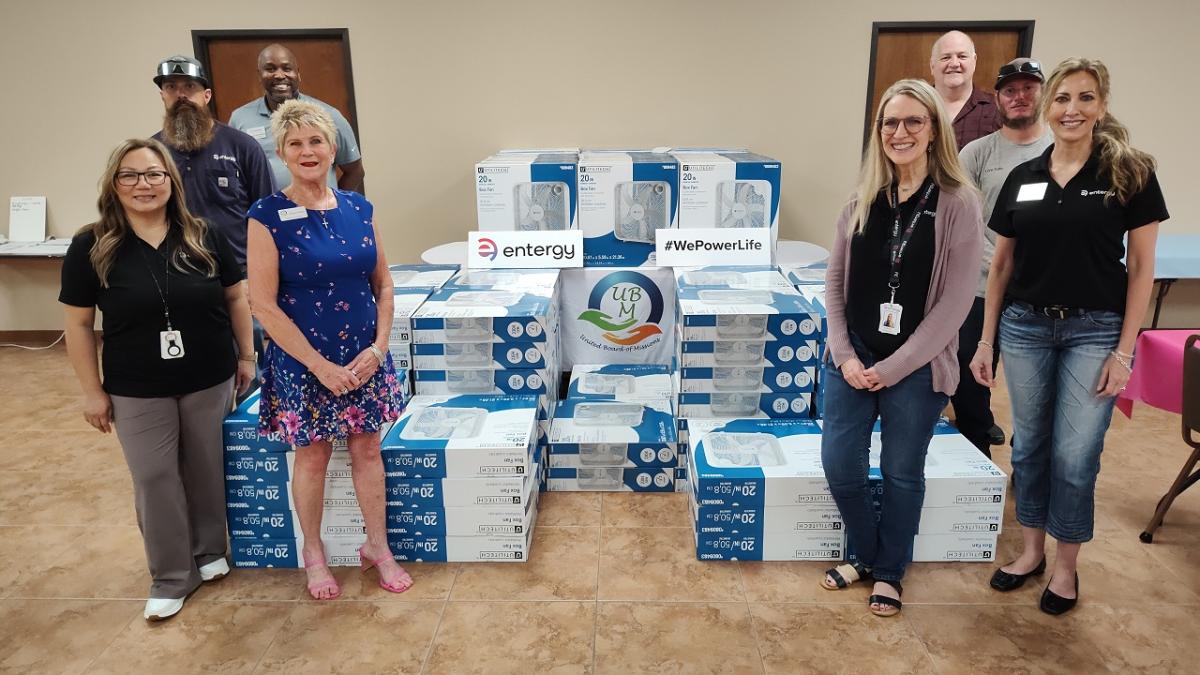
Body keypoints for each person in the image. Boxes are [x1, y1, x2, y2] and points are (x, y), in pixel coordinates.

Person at [970, 58, 1167, 615]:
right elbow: (1000, 267)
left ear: (1101, 106)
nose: (1072, 110)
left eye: (1084, 99)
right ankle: (1031, 550)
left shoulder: (1129, 172)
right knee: (1029, 446)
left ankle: (1066, 567)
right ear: (1047, 106)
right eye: (1062, 99)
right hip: (1026, 326)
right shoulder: (1023, 176)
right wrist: (987, 343)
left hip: (1095, 330)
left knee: (1076, 453)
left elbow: (1141, 272)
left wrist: (1124, 352)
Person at [60, 138, 255, 621]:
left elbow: (235, 297)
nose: (143, 185)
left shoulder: (202, 233)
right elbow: (79, 325)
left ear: (171, 180)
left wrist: (247, 355)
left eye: (153, 174)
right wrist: (91, 391)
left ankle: (210, 551)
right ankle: (171, 575)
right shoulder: (93, 244)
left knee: (206, 467)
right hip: (135, 385)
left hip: (209, 375)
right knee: (154, 477)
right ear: (113, 183)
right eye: (130, 175)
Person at [820, 79, 982, 617]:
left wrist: (892, 368)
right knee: (841, 465)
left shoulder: (958, 204)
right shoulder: (860, 201)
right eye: (890, 122)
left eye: (914, 121)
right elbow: (834, 287)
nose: (900, 132)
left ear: (934, 130)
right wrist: (844, 354)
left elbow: (955, 304)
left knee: (900, 471)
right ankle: (867, 553)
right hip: (853, 356)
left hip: (915, 367)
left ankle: (888, 571)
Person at [247, 99, 409, 600]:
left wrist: (379, 348)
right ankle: (313, 554)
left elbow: (382, 284)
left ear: (333, 147)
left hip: (364, 358)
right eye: (295, 143)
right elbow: (263, 305)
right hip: (304, 364)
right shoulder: (267, 216)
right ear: (281, 153)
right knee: (312, 456)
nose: (307, 150)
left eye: (316, 140)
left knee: (367, 448)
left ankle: (377, 547)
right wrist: (319, 366)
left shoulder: (361, 208)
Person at [952, 58, 1053, 457]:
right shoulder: (976, 154)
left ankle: (1029, 464)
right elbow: (964, 224)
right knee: (968, 375)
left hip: (1041, 291)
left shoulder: (1061, 150)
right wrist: (1001, 264)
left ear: (1043, 93)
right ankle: (978, 459)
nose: (1020, 96)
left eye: (1029, 88)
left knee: (1038, 391)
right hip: (980, 288)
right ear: (997, 98)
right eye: (1010, 90)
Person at [152, 55, 275, 266]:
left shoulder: (242, 146)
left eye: (190, 86)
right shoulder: (151, 153)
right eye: (171, 87)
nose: (181, 94)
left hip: (239, 274)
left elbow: (268, 215)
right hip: (175, 274)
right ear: (162, 95)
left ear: (207, 95)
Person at [229, 44, 365, 193]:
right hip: (267, 214)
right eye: (270, 69)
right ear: (259, 75)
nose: (279, 75)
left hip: (320, 213)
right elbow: (235, 173)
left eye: (287, 69)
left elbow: (355, 171)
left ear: (298, 74)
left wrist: (339, 203)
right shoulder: (240, 118)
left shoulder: (328, 115)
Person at [929, 31, 1001, 150]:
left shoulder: (997, 109)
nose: (954, 63)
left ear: (974, 62)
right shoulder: (914, 107)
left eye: (962, 56)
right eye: (946, 57)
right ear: (932, 65)